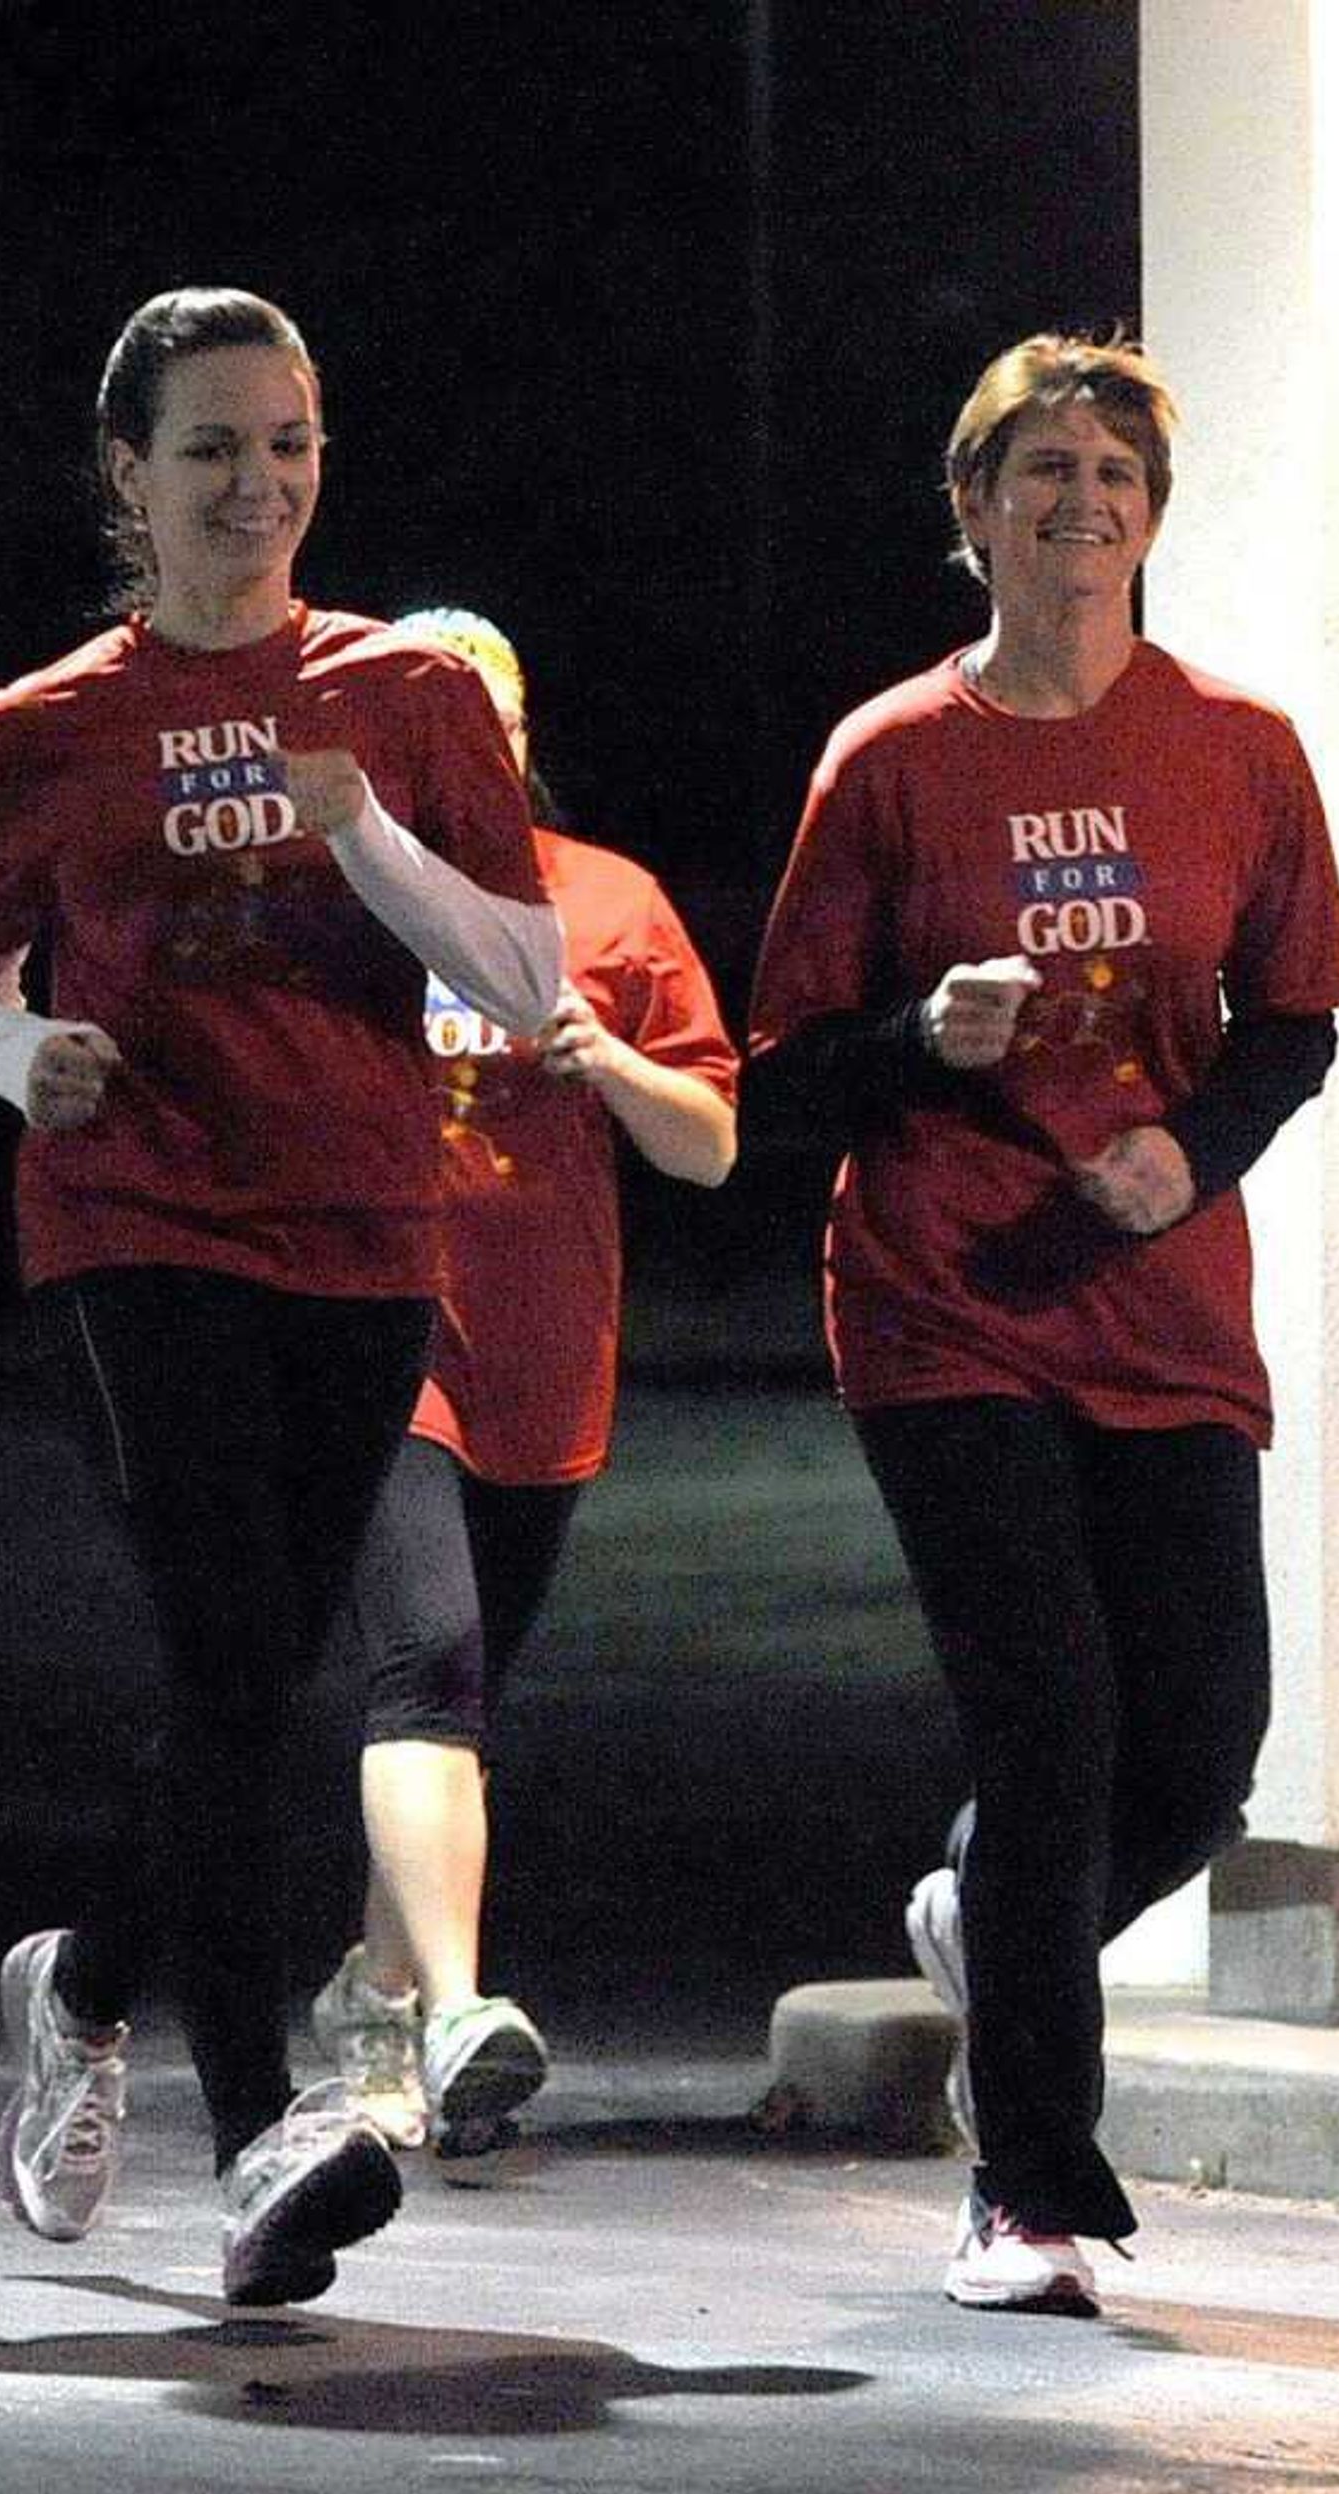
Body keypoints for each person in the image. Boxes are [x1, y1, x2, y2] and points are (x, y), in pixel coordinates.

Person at [0, 289, 561, 2304]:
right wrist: (31, 1062)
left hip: (363, 1232)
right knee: (227, 1640)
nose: (256, 481)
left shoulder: (408, 695)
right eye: (210, 445)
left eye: (287, 441)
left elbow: (529, 983)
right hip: (133, 1224)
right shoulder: (43, 726)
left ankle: (86, 1980)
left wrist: (365, 833)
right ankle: (259, 2129)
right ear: (130, 472)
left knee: (246, 1679)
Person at [750, 336, 1339, 2315]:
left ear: (1151, 516)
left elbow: (1292, 1026)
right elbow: (793, 1064)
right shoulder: (893, 758)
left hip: (1163, 1304)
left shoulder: (1241, 748)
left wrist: (1196, 1150)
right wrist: (925, 1032)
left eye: (1115, 470)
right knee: (1056, 1720)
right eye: (1041, 469)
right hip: (947, 1306)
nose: (1082, 498)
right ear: (973, 512)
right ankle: (1027, 2188)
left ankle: (993, 1918)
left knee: (1201, 1754)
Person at [301, 609, 739, 2156]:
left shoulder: (606, 898)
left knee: (458, 1702)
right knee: (429, 1656)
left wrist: (609, 1061)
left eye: (488, 717)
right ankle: (459, 2012)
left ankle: (374, 1988)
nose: (461, 747)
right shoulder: (327, 890)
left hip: (545, 1344)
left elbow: (710, 1139)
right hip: (377, 1330)